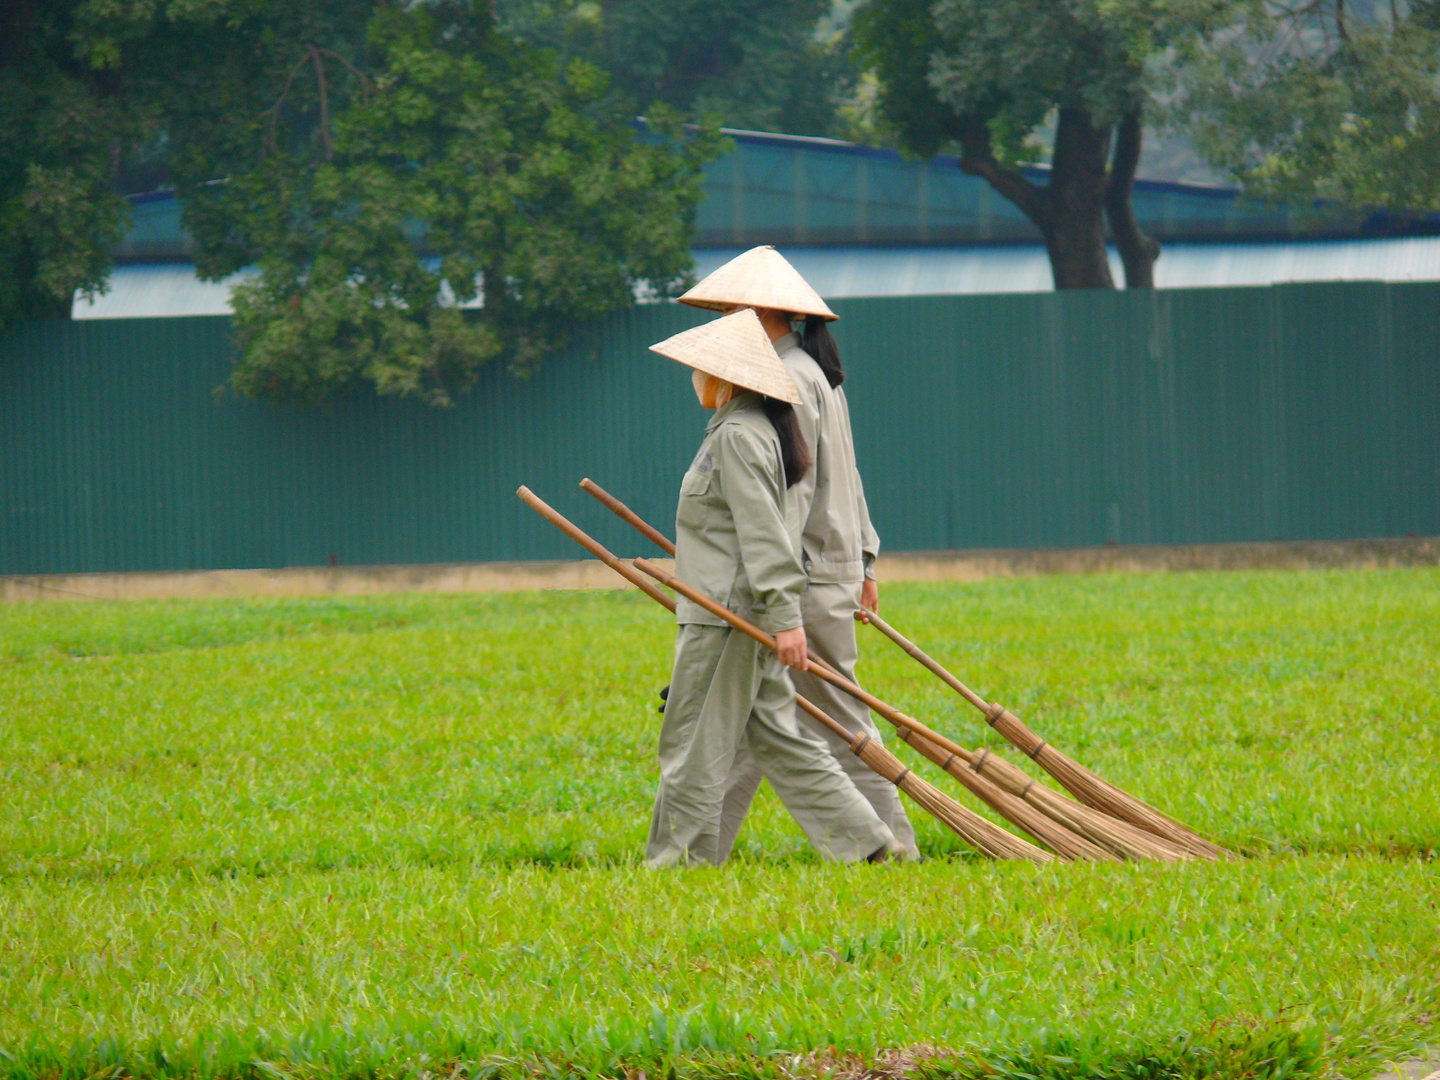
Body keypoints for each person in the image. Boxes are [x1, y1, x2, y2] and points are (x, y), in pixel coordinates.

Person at [676, 246, 920, 862]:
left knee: (837, 725)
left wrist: (774, 591)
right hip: (823, 569)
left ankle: (895, 848)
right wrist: (863, 560)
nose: (725, 318)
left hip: (800, 576)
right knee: (753, 722)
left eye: (732, 308)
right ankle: (696, 855)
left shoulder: (787, 379)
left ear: (761, 313)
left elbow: (793, 490)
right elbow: (850, 477)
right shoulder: (814, 372)